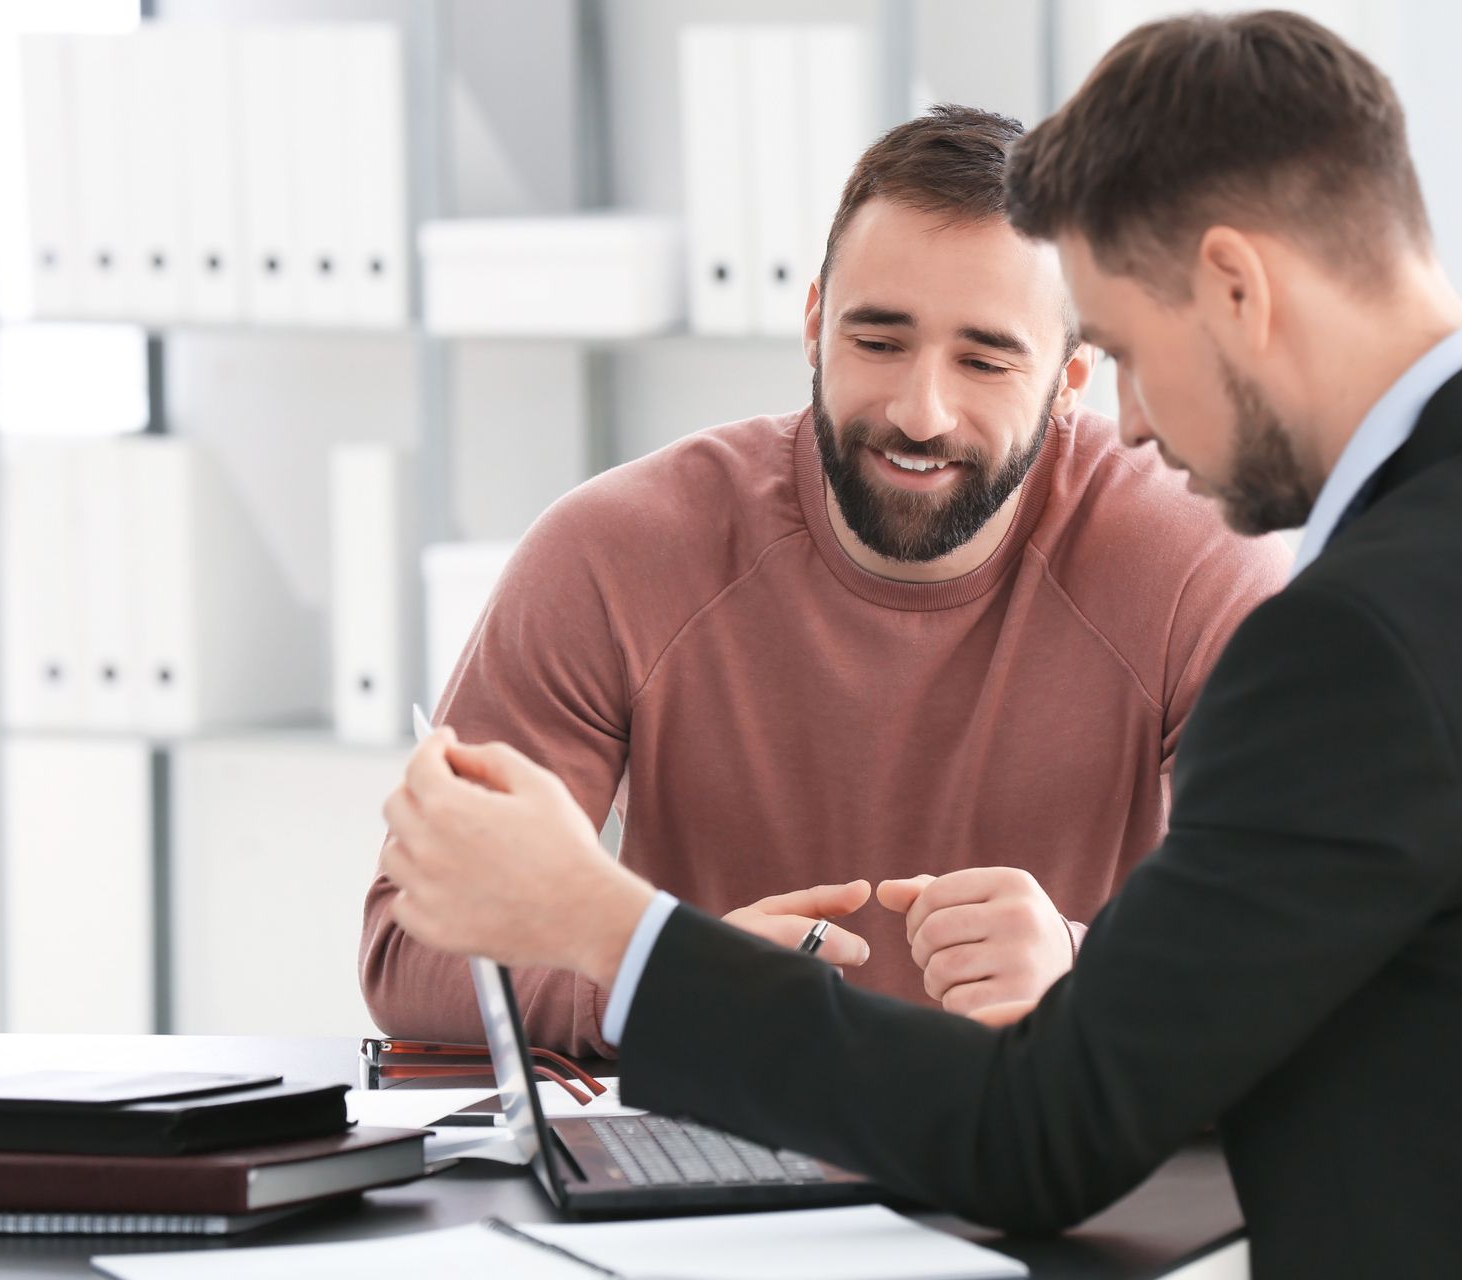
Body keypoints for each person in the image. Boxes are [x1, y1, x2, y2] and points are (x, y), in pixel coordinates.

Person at [375, 11, 1462, 1277]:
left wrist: (612, 933)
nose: (1138, 428)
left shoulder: (1362, 638)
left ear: (1236, 287)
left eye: (1131, 358)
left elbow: (1044, 1134)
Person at [359, 105, 1289, 1056]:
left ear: (1069, 379)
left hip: (1050, 1162)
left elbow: (1309, 958)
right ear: (813, 325)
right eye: (879, 343)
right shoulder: (611, 553)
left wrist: (1086, 972)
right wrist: (671, 982)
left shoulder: (1199, 564)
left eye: (985, 359)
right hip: (725, 1162)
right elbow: (409, 948)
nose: (922, 413)